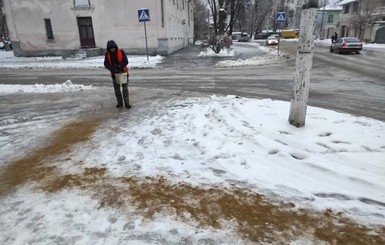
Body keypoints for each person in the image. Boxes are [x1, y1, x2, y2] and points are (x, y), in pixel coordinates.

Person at [104, 40, 131, 108]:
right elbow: (106, 64)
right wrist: (112, 69)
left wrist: (119, 66)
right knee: (117, 90)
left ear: (115, 47)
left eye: (113, 48)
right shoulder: (107, 54)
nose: (112, 49)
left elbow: (126, 61)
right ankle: (119, 102)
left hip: (123, 73)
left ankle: (127, 103)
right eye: (111, 48)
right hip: (114, 75)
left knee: (125, 89)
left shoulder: (121, 51)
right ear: (108, 49)